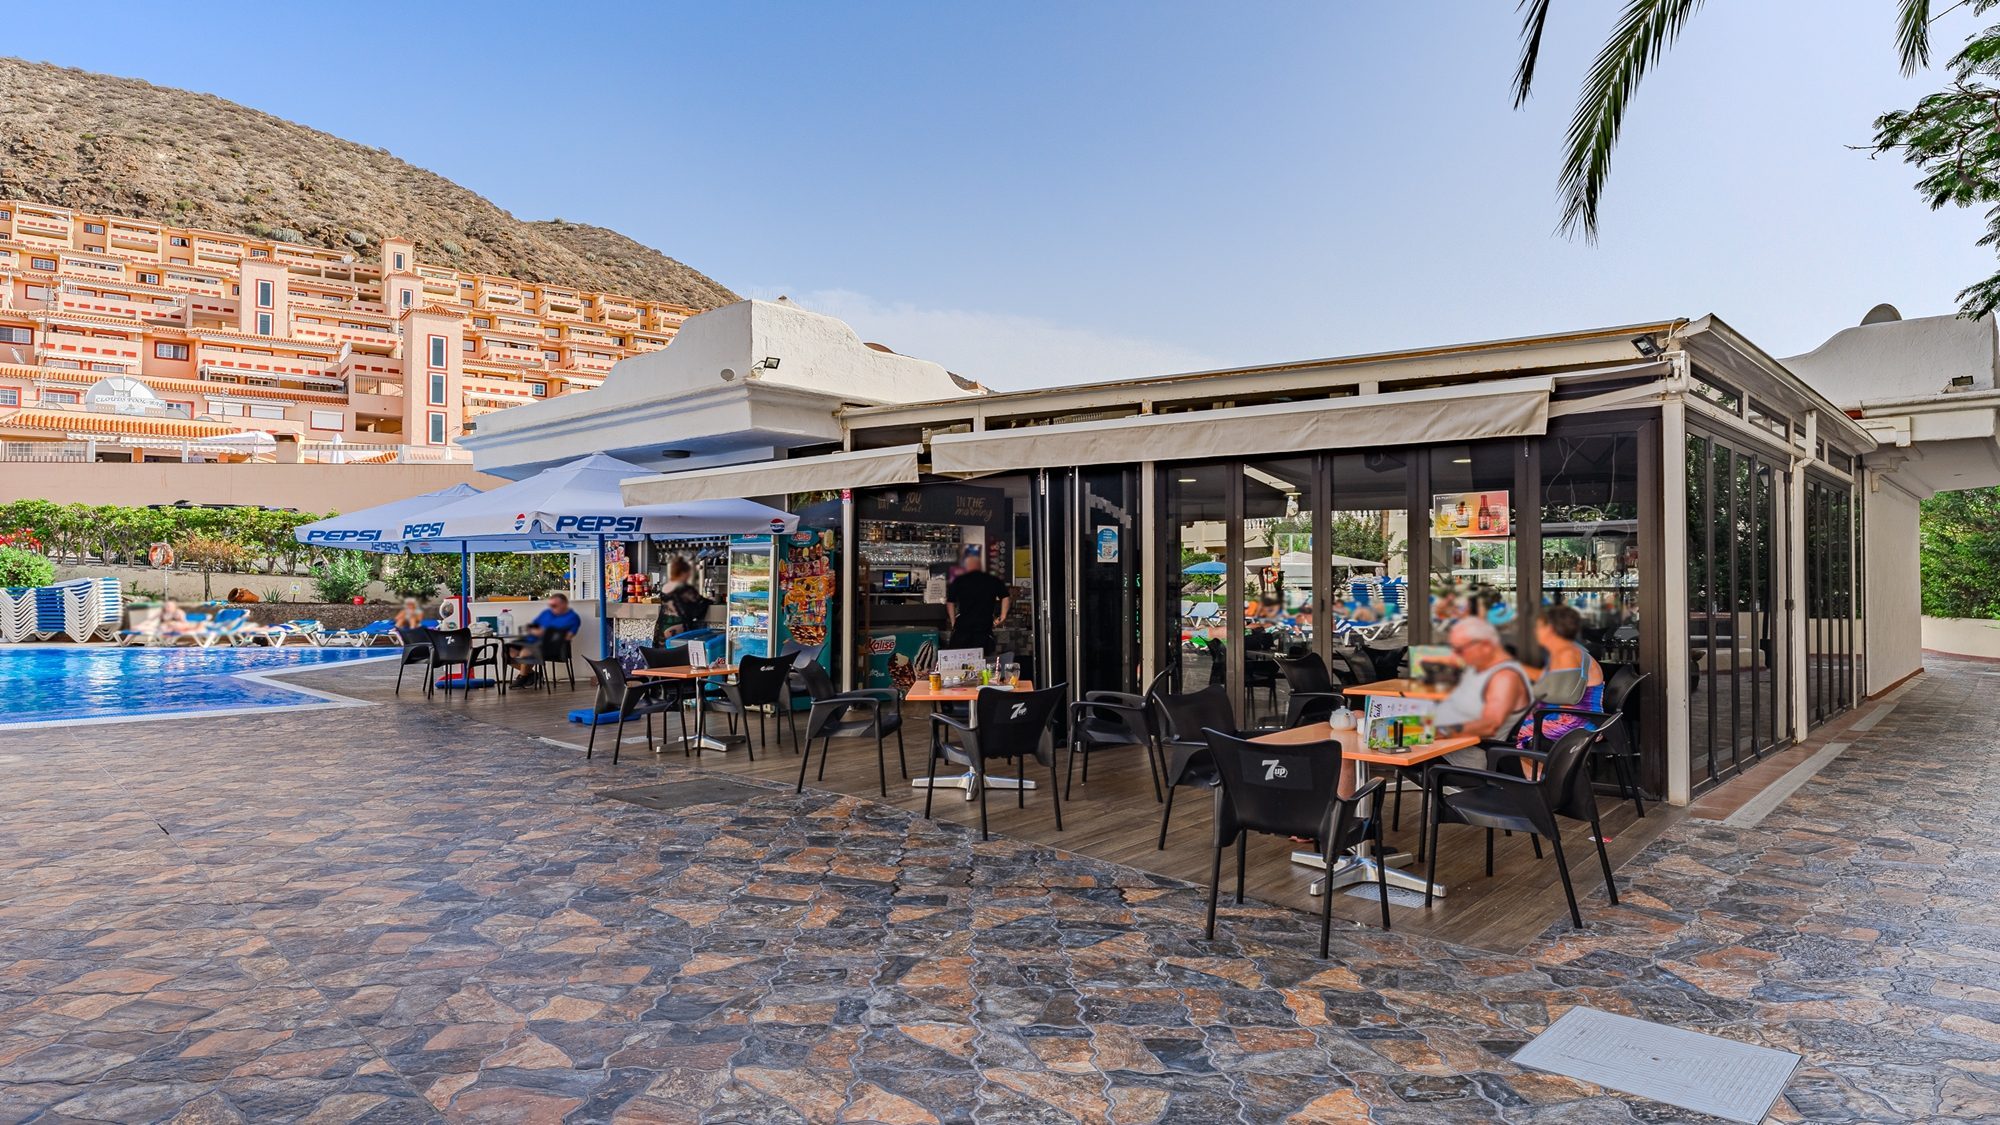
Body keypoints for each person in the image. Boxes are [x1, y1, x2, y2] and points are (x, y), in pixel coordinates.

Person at [1430, 616, 1533, 767]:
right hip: (1455, 743)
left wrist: (1438, 730)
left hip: (1466, 755)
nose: (1456, 655)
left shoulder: (1505, 678)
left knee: (1399, 745)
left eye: (1460, 649)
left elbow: (1489, 725)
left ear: (1485, 645)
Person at [1518, 604, 1605, 750]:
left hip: (1577, 722)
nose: (1535, 631)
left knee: (1512, 732)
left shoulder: (1567, 654)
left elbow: (1563, 695)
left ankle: (1537, 765)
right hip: (1575, 716)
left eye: (1538, 627)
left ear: (1550, 629)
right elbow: (1553, 683)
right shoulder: (1567, 650)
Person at [509, 593, 581, 686]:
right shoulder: (547, 613)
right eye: (551, 605)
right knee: (509, 652)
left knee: (526, 652)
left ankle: (522, 677)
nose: (552, 607)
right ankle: (532, 674)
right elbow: (532, 626)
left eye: (554, 605)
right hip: (533, 641)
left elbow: (568, 636)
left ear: (564, 604)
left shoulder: (573, 617)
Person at [945, 551, 1009, 655]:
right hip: (984, 627)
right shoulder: (992, 580)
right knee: (983, 659)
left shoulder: (959, 581)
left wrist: (953, 622)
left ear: (967, 566)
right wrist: (1003, 616)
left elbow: (950, 602)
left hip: (963, 628)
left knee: (960, 659)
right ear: (980, 565)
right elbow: (1005, 596)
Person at [652, 557, 711, 647]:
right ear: (683, 573)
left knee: (664, 653)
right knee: (678, 653)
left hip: (662, 628)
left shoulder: (665, 586)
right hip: (678, 630)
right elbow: (701, 604)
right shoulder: (685, 589)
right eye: (688, 573)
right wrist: (711, 599)